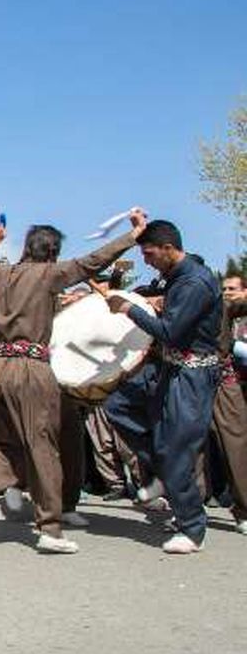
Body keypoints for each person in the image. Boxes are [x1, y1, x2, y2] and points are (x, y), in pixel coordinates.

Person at [0, 210, 146, 554]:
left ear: (28, 247)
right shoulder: (51, 274)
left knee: (8, 444)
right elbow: (93, 261)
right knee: (43, 447)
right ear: (53, 251)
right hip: (31, 367)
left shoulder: (4, 273)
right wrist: (133, 236)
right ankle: (50, 529)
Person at [106, 220, 222, 553]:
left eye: (150, 253)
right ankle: (159, 473)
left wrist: (128, 309)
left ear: (169, 249)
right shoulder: (177, 278)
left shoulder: (195, 283)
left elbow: (170, 332)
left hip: (191, 377)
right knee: (118, 405)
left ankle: (192, 528)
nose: (147, 261)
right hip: (167, 371)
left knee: (177, 451)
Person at [211, 283, 247, 535]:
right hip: (182, 384)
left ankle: (244, 510)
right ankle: (188, 511)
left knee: (236, 445)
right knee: (187, 450)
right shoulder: (170, 303)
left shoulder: (221, 305)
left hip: (223, 381)